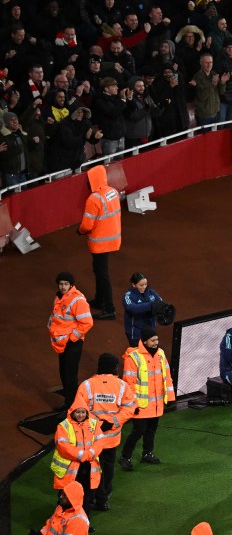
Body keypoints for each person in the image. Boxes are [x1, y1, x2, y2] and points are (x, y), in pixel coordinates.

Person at [74, 353, 135, 512]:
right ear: (114, 367)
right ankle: (104, 497)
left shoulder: (86, 385)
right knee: (108, 468)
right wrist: (113, 422)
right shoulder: (121, 386)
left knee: (91, 470)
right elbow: (129, 408)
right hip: (111, 439)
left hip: (92, 438)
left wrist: (97, 425)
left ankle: (92, 498)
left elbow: (79, 410)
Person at [119, 326, 176, 471]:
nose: (156, 342)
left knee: (151, 430)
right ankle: (125, 457)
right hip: (142, 405)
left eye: (157, 339)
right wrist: (134, 404)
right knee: (138, 431)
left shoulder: (161, 354)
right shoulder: (133, 358)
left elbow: (167, 377)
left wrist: (170, 398)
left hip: (156, 404)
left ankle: (147, 453)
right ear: (144, 341)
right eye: (153, 340)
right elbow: (128, 384)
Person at [77, 164, 121, 320]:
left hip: (100, 242)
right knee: (99, 271)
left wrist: (80, 231)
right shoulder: (112, 192)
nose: (87, 183)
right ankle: (100, 300)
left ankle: (109, 308)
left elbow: (87, 225)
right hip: (113, 238)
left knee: (102, 274)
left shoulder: (93, 199)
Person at [49, 272, 94, 412]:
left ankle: (72, 406)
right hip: (62, 342)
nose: (63, 286)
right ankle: (68, 401)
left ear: (71, 285)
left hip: (72, 343)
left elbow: (87, 322)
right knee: (63, 372)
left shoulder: (77, 300)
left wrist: (72, 338)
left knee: (70, 374)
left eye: (66, 284)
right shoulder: (59, 297)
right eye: (61, 284)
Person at [51, 400, 102, 517]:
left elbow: (100, 441)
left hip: (88, 468)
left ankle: (84, 522)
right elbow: (63, 447)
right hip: (71, 470)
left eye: (83, 412)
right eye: (78, 412)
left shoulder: (94, 424)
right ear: (72, 413)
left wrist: (88, 455)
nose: (80, 415)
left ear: (87, 413)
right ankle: (63, 521)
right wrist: (84, 456)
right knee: (66, 498)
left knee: (87, 497)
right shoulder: (63, 426)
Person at [122, 273, 165, 347]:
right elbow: (132, 308)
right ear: (133, 284)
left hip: (150, 332)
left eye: (145, 284)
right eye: (141, 285)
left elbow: (160, 303)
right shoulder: (128, 296)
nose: (144, 287)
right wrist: (151, 305)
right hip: (136, 334)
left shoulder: (151, 292)